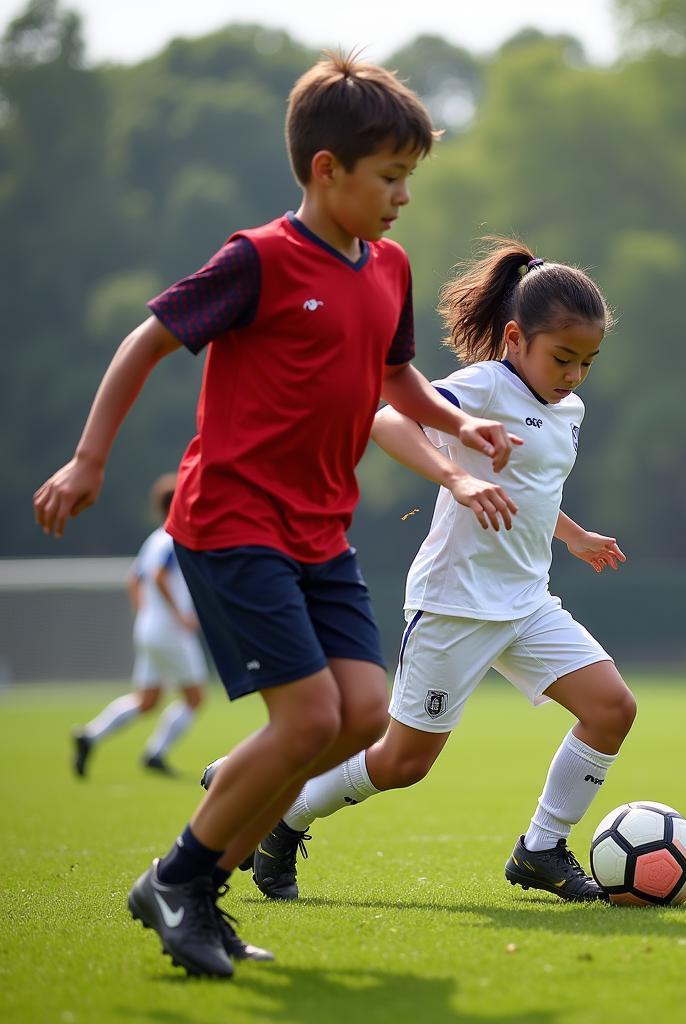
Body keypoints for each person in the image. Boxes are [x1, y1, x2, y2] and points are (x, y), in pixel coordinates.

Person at [32, 53, 516, 978]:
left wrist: (460, 424)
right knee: (305, 721)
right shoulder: (258, 260)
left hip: (320, 531)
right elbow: (147, 342)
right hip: (234, 522)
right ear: (325, 169)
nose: (403, 197)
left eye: (410, 177)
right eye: (389, 177)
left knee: (363, 713)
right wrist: (90, 459)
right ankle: (180, 881)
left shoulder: (389, 266)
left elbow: (392, 376)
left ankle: (191, 882)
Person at [205, 238, 635, 904]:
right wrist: (457, 479)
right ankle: (283, 814)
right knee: (403, 764)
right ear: (516, 338)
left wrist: (572, 535)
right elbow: (387, 421)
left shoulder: (568, 410)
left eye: (588, 361)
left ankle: (542, 848)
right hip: (456, 604)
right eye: (563, 357)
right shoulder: (486, 386)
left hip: (526, 602)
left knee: (612, 709)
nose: (575, 374)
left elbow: (531, 489)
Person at [72, 473, 207, 779]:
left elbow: (134, 579)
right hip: (170, 630)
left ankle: (90, 735)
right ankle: (155, 754)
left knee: (147, 700)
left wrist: (146, 615)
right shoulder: (175, 538)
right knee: (196, 698)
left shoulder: (154, 538)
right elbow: (159, 575)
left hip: (149, 629)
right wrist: (179, 615)